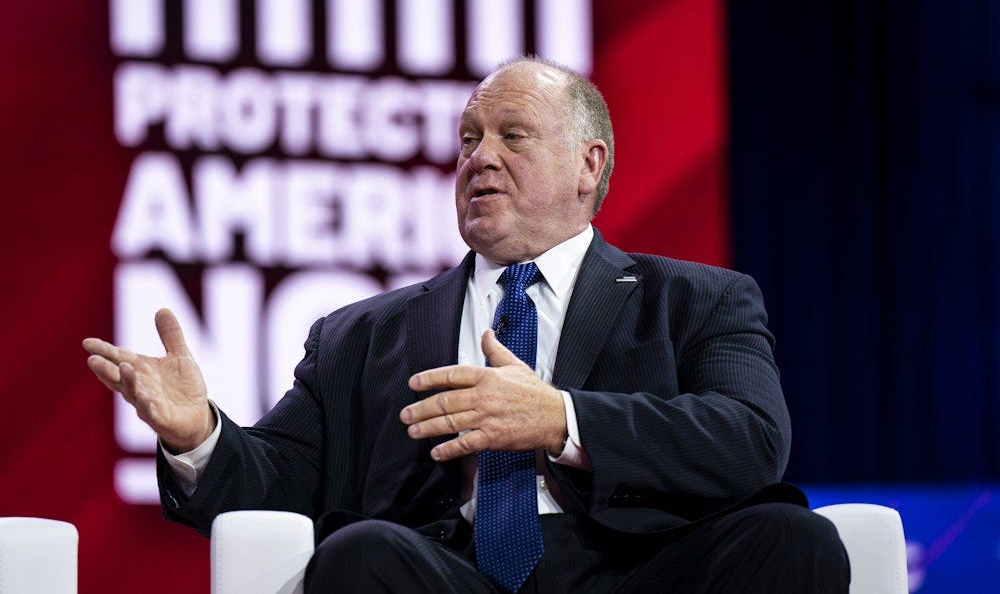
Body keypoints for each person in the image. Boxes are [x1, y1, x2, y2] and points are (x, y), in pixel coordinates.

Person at [84, 56, 849, 592]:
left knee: (794, 539)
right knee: (359, 555)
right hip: (447, 573)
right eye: (469, 138)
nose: (480, 156)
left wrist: (561, 418)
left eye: (512, 135)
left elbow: (750, 440)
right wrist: (199, 437)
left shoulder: (696, 299)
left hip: (637, 569)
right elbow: (278, 481)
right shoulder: (359, 335)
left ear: (590, 164)